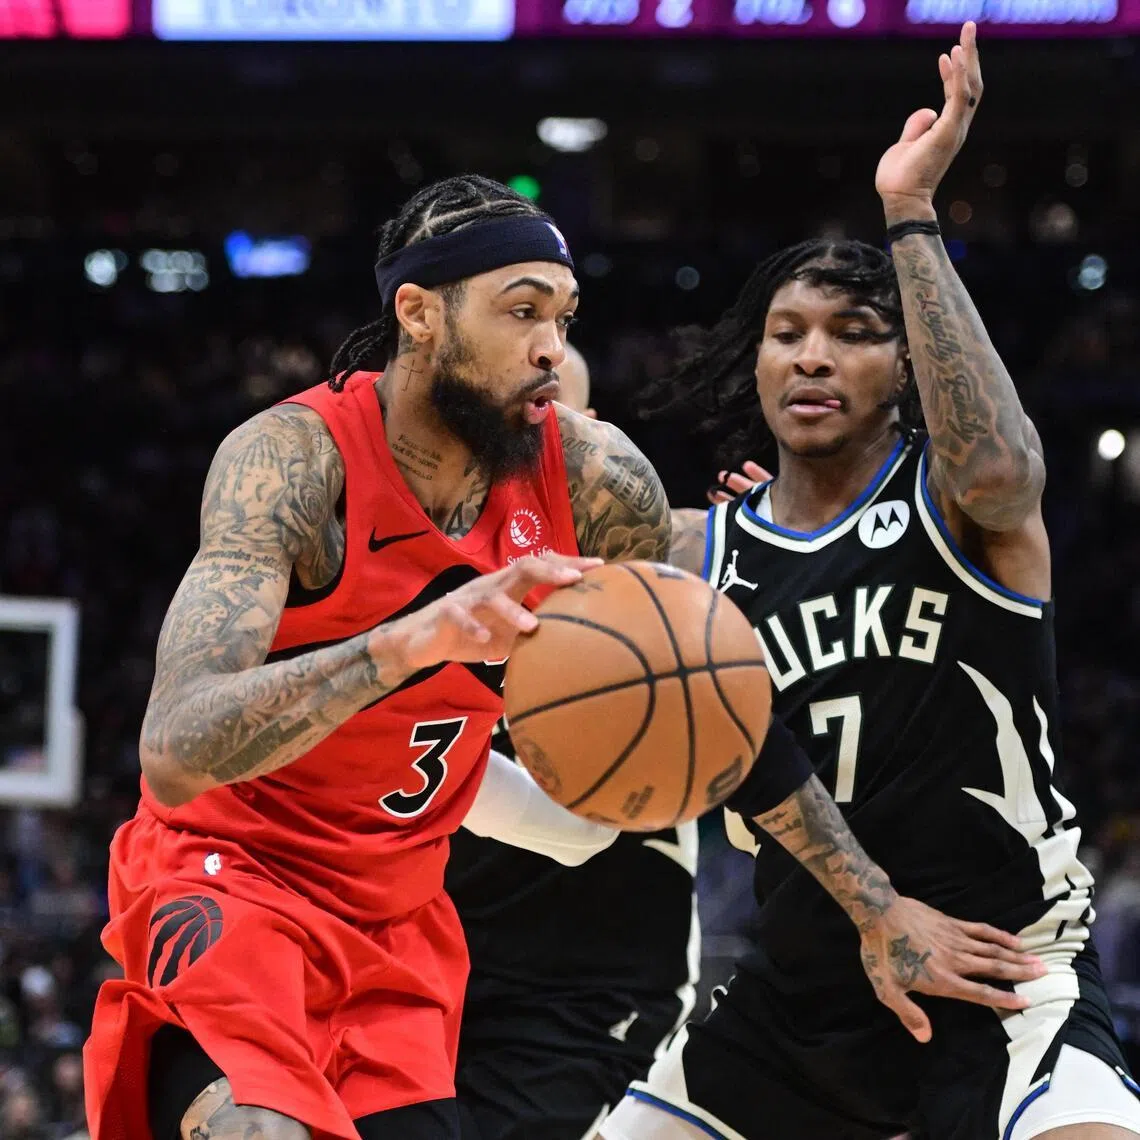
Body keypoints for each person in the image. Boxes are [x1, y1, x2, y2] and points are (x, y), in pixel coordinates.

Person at [82, 172, 1039, 1140]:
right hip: (231, 875)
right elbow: (173, 742)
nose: (552, 346)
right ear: (418, 313)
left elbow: (716, 710)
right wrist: (408, 643)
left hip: (396, 920)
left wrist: (876, 910)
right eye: (522, 312)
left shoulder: (593, 477)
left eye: (565, 316)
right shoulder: (292, 463)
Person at [601, 25, 1140, 1140]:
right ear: (752, 363)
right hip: (798, 1003)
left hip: (1006, 976)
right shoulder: (698, 553)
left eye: (852, 334)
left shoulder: (962, 505)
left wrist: (910, 214)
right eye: (786, 333)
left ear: (907, 365)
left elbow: (996, 460)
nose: (811, 356)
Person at [448, 347, 700, 1140]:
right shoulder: (402, 559)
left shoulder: (671, 567)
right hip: (424, 966)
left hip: (586, 992)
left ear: (599, 442)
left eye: (555, 423)